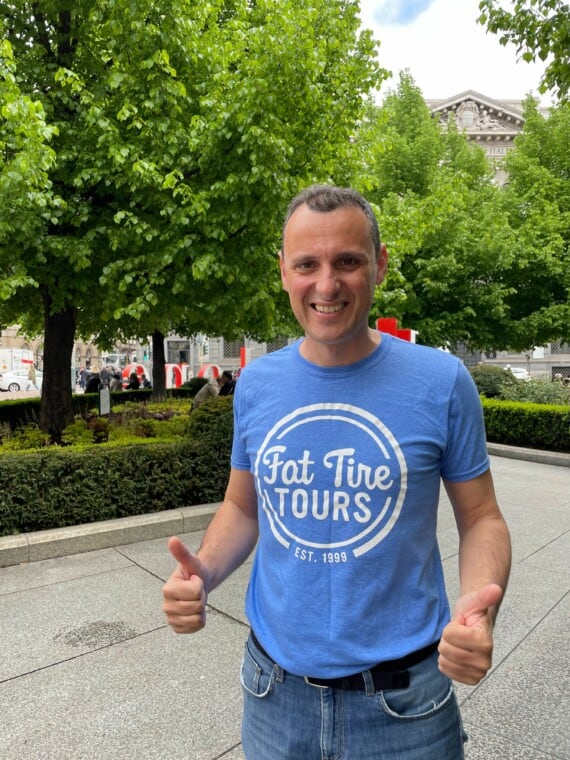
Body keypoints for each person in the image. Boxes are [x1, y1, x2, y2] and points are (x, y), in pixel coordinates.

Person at [162, 185, 511, 759]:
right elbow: (243, 506)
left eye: (347, 261)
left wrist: (479, 608)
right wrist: (205, 571)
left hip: (406, 708)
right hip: (275, 698)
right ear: (283, 272)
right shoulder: (256, 385)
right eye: (307, 264)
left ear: (379, 265)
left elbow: (481, 517)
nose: (326, 285)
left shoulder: (443, 382)